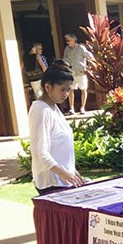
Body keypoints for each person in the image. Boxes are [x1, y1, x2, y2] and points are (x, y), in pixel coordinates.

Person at [28, 60, 84, 195]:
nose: (65, 94)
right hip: (52, 183)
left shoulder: (53, 107)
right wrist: (64, 174)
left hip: (63, 181)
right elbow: (39, 152)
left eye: (68, 89)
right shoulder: (41, 109)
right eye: (62, 89)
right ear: (48, 87)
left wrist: (72, 173)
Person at [62, 33, 93, 114]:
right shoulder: (67, 49)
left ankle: (82, 108)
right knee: (70, 90)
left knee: (83, 89)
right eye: (66, 40)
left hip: (80, 72)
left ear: (73, 40)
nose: (67, 42)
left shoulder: (80, 48)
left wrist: (88, 68)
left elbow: (90, 57)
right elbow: (64, 58)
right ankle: (72, 108)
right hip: (71, 73)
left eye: (68, 40)